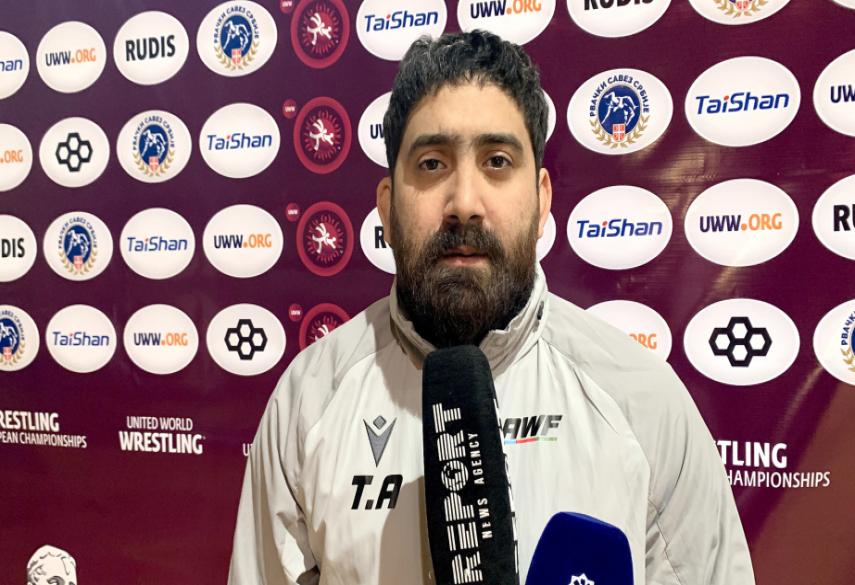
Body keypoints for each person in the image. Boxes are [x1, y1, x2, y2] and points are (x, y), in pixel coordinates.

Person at [229, 30, 755, 585]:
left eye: (497, 161)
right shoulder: (308, 401)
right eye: (432, 164)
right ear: (387, 207)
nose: (464, 203)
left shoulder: (644, 404)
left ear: (542, 199)